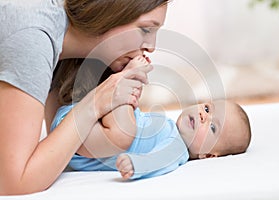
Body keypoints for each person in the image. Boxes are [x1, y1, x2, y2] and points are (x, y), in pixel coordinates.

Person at [0, 0, 170, 195]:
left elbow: (62, 149)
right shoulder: (34, 36)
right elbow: (14, 182)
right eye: (146, 30)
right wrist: (97, 101)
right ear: (111, 10)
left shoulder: (63, 49)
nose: (151, 47)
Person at [50, 56, 252, 180]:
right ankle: (123, 82)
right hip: (82, 122)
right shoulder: (168, 128)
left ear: (208, 155)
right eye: (207, 109)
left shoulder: (176, 149)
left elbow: (158, 161)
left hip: (81, 140)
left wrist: (136, 165)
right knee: (128, 118)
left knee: (125, 130)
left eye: (213, 127)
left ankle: (127, 78)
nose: (203, 115)